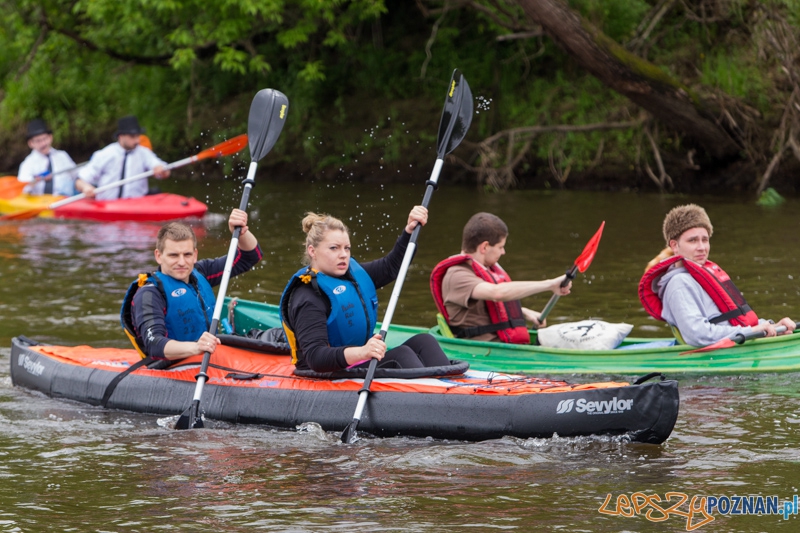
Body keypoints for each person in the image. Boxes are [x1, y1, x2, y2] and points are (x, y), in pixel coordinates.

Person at [280, 207, 451, 373]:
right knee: (402, 355)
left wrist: (409, 232)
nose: (343, 255)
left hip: (358, 361)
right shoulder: (308, 295)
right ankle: (432, 397)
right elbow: (316, 357)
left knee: (425, 341)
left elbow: (392, 266)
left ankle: (453, 390)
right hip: (327, 372)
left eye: (346, 248)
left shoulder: (352, 275)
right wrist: (362, 352)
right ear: (313, 251)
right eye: (334, 248)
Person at [639, 204, 795, 346]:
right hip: (710, 357)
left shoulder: (706, 274)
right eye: (693, 241)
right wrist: (751, 332)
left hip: (737, 342)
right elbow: (698, 335)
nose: (701, 247)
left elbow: (731, 320)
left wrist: (774, 326)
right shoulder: (678, 283)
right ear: (675, 246)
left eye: (705, 240)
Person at [121, 209, 261, 360]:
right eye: (173, 255)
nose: (181, 262)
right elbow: (155, 344)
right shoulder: (149, 294)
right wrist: (196, 347)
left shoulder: (200, 272)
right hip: (173, 367)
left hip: (208, 358)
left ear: (195, 255)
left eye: (187, 254)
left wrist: (241, 233)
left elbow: (250, 257)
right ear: (159, 256)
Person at [430, 212, 571, 344]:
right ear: (484, 247)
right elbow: (497, 293)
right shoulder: (457, 275)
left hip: (504, 346)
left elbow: (487, 306)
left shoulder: (485, 269)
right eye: (500, 247)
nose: (503, 252)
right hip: (484, 351)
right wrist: (550, 285)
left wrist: (525, 312)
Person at [76, 115, 170, 200]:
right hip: (107, 205)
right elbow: (79, 180)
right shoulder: (105, 154)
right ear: (121, 136)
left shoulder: (143, 153)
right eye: (132, 136)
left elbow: (162, 169)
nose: (137, 140)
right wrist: (85, 187)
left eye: (138, 136)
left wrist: (162, 170)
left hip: (137, 205)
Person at [17, 119, 78, 196]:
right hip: (41, 204)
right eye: (38, 141)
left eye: (45, 139)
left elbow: (77, 177)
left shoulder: (62, 156)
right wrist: (35, 180)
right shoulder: (27, 164)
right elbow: (22, 190)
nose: (43, 143)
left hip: (66, 200)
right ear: (31, 143)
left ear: (50, 137)